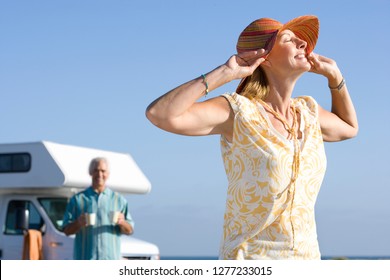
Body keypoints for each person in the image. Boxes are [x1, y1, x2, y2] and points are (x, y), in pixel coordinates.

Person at [146, 15, 358, 260]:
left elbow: (349, 127)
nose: (302, 43)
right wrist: (225, 73)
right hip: (251, 261)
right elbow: (160, 114)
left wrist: (335, 77)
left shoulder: (308, 112)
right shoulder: (239, 112)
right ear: (263, 58)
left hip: (307, 261)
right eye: (288, 39)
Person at [63, 157, 134, 260]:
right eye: (96, 170)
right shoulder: (77, 200)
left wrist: (122, 222)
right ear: (90, 172)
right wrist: (78, 223)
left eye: (103, 171)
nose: (99, 174)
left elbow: (130, 230)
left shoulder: (119, 200)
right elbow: (66, 230)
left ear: (108, 174)